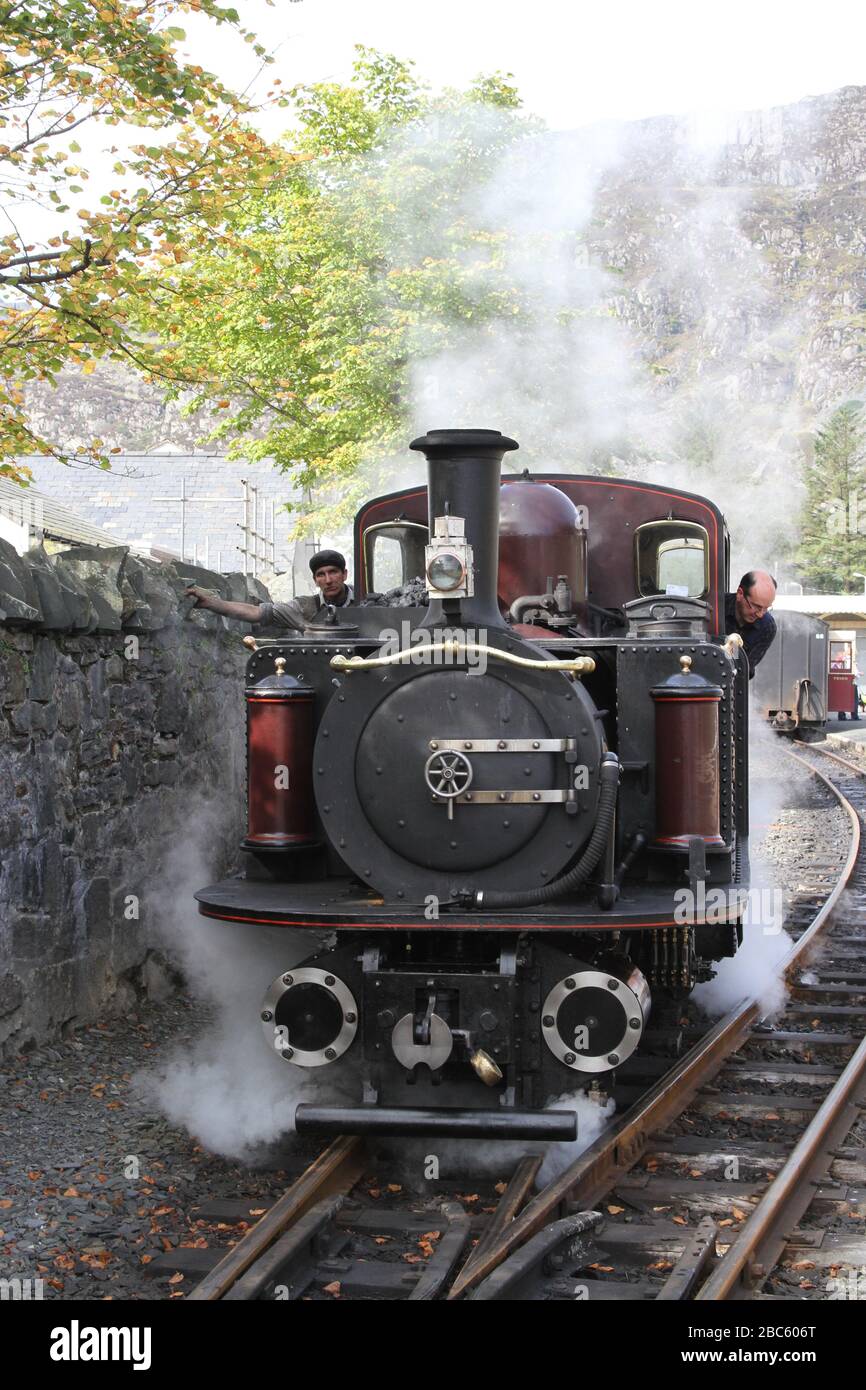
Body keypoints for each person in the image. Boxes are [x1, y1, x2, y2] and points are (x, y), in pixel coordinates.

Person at [185, 549, 354, 631]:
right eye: (321, 575)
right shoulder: (304, 607)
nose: (328, 580)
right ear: (315, 580)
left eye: (333, 572)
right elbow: (256, 612)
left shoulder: (369, 601)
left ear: (344, 574)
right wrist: (211, 603)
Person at [724, 569, 777, 678]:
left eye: (766, 608)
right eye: (756, 607)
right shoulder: (716, 607)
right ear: (740, 594)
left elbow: (745, 669)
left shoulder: (767, 627)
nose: (760, 615)